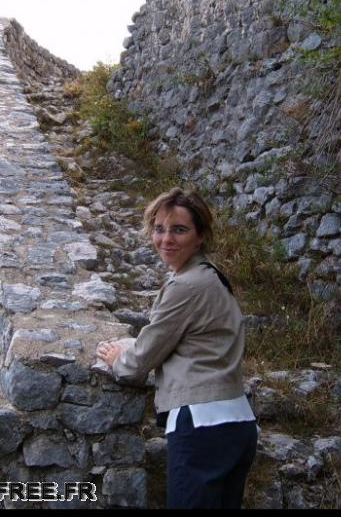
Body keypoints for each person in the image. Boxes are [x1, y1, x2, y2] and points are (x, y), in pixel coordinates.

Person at [97, 187, 257, 509]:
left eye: (179, 230)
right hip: (236, 421)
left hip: (201, 426)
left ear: (201, 236)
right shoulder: (211, 277)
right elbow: (183, 338)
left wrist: (118, 359)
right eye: (159, 229)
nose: (166, 239)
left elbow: (140, 361)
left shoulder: (186, 285)